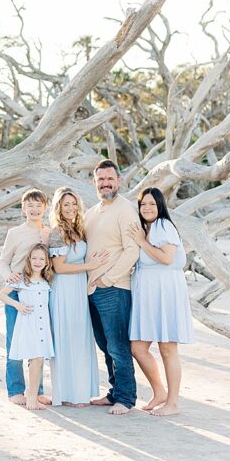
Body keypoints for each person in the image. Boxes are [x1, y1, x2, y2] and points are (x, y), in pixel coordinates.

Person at [127, 187, 194, 416]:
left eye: (152, 204)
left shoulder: (163, 225)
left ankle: (173, 403)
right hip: (146, 294)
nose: (147, 208)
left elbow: (167, 258)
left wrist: (141, 242)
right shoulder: (145, 228)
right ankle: (159, 391)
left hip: (166, 292)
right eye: (143, 204)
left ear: (160, 206)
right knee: (137, 347)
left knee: (167, 348)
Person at [83, 159, 140, 415]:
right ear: (94, 183)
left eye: (109, 179)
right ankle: (114, 392)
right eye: (101, 180)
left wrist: (108, 279)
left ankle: (126, 398)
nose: (105, 183)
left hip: (115, 288)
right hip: (92, 290)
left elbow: (132, 251)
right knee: (105, 346)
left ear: (119, 181)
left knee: (118, 346)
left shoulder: (126, 209)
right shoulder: (92, 212)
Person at [47, 187, 112, 407]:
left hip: (79, 290)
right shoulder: (57, 232)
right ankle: (67, 394)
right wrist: (89, 265)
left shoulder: (78, 229)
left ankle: (81, 391)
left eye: (74, 204)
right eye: (66, 204)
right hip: (64, 290)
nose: (71, 208)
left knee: (80, 338)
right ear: (58, 207)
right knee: (66, 338)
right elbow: (59, 268)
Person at [0, 189, 51, 406]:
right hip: (17, 292)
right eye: (30, 205)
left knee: (37, 342)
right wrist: (7, 275)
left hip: (39, 292)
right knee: (15, 342)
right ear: (23, 208)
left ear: (45, 208)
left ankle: (36, 391)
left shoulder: (48, 233)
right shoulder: (15, 233)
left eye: (38, 205)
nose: (34, 209)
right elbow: (3, 261)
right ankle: (15, 389)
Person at [0, 244, 55, 411]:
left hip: (43, 325)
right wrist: (18, 305)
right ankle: (31, 399)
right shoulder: (22, 278)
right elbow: (1, 295)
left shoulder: (46, 280)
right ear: (29, 259)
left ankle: (33, 395)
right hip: (28, 323)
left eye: (41, 259)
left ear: (47, 262)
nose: (37, 261)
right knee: (35, 358)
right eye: (34, 258)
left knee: (38, 360)